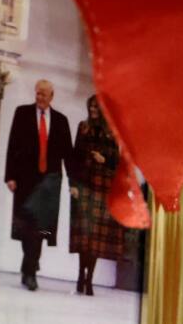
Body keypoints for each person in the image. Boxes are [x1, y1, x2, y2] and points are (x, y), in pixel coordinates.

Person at [4, 79, 76, 291]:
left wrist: (73, 182)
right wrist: (10, 176)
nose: (40, 97)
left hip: (49, 183)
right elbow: (12, 145)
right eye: (38, 93)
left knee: (40, 229)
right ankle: (30, 265)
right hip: (25, 180)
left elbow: (68, 155)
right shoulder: (22, 113)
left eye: (44, 94)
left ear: (52, 96)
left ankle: (30, 272)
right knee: (26, 227)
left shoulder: (61, 121)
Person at [69, 95, 125, 296]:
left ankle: (89, 279)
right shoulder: (83, 128)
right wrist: (72, 185)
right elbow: (74, 158)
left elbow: (117, 162)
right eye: (91, 106)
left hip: (102, 188)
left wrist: (104, 159)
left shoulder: (112, 133)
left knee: (95, 238)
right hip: (83, 185)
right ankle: (80, 275)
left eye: (96, 107)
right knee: (83, 235)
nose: (92, 109)